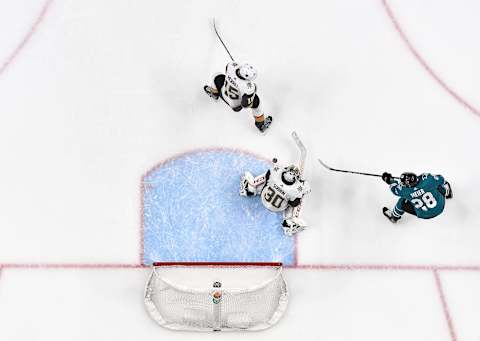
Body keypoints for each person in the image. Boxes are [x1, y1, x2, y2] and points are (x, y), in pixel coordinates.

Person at [204, 62, 272, 132]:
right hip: (236, 106)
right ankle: (261, 124)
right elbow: (245, 105)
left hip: (224, 93)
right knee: (257, 102)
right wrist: (253, 91)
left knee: (216, 76)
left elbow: (231, 69)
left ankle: (214, 93)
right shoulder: (248, 87)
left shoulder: (231, 65)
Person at [382, 171, 453, 223]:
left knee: (401, 202)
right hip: (440, 206)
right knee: (440, 185)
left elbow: (394, 189)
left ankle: (394, 217)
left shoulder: (403, 190)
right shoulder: (428, 179)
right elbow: (441, 179)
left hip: (423, 214)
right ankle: (448, 193)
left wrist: (389, 180)